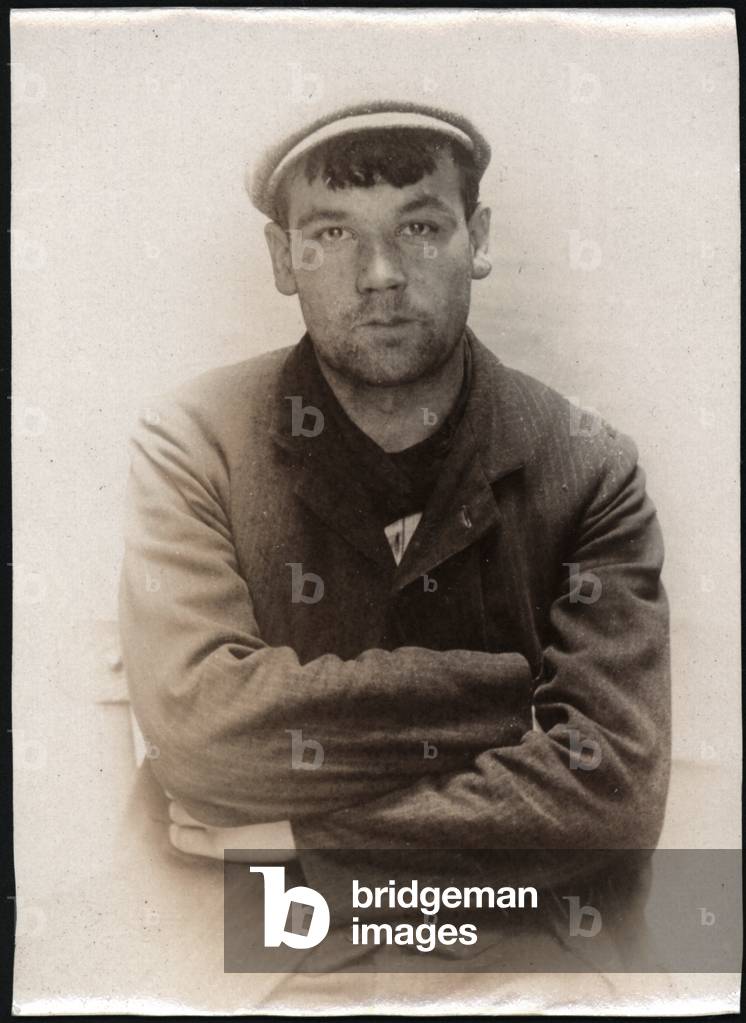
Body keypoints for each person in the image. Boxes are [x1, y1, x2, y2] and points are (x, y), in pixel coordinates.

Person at [118, 100, 670, 872]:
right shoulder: (193, 440)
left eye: (419, 226)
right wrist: (507, 696)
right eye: (333, 233)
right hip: (248, 942)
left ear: (475, 240)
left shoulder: (592, 467)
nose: (379, 275)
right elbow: (201, 737)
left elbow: (610, 795)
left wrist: (306, 842)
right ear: (283, 257)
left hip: (502, 933)